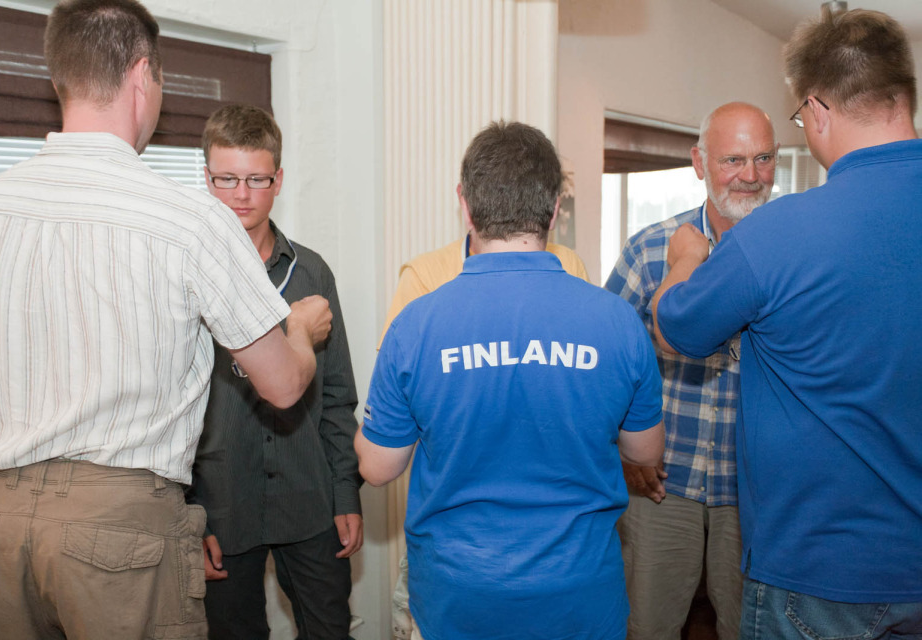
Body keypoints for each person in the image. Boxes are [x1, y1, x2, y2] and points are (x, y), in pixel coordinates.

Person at [0, 2, 331, 638]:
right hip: (117, 532)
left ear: (61, 77)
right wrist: (300, 329)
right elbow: (280, 384)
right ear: (142, 76)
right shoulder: (188, 219)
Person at [652, 8, 922, 638]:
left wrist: (685, 259)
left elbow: (676, 327)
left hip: (816, 572)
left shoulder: (781, 232)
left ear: (818, 110)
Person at [357, 121, 666, 640]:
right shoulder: (617, 321)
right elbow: (645, 451)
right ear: (554, 209)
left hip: (458, 595)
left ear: (466, 204)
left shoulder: (416, 324)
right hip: (579, 593)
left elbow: (377, 466)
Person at [380, 147, 590, 640]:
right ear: (554, 208)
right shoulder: (424, 277)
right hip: (454, 543)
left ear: (465, 201)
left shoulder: (570, 266)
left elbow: (583, 392)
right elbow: (398, 406)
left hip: (557, 536)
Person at [604, 101, 777, 640]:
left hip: (757, 492)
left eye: (764, 158)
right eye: (733, 160)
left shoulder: (793, 252)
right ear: (700, 163)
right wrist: (624, 448)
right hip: (662, 483)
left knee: (751, 630)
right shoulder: (650, 250)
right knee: (646, 626)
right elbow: (609, 363)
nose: (751, 175)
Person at [188, 104, 361, 640]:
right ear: (207, 178)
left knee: (330, 630)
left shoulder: (312, 273)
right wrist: (190, 514)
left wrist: (346, 492)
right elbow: (166, 407)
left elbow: (337, 396)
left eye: (257, 179)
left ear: (278, 180)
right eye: (227, 179)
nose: (241, 194)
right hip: (221, 504)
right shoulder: (184, 274)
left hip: (310, 500)